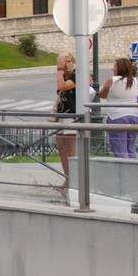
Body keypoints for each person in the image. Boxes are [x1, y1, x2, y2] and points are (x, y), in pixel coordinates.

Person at [99, 57, 138, 158]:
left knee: (119, 150)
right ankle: (133, 170)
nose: (112, 69)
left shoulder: (112, 80)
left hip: (117, 116)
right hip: (134, 116)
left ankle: (123, 171)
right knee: (130, 148)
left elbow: (102, 95)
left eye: (114, 67)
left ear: (119, 68)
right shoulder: (134, 81)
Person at [53, 53, 78, 187]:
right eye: (63, 62)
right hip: (62, 116)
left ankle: (74, 180)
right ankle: (67, 177)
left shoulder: (76, 75)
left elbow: (62, 87)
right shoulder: (63, 76)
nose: (66, 64)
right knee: (61, 148)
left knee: (71, 150)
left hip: (72, 117)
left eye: (68, 61)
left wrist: (59, 71)